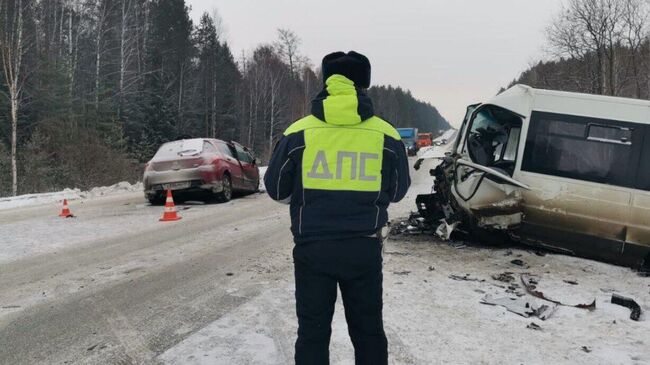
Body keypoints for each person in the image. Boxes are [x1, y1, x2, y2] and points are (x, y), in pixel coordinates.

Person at [264, 51, 411, 365]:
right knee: (368, 332)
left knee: (313, 334)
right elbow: (398, 192)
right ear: (364, 86)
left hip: (313, 249)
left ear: (326, 82)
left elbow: (276, 189)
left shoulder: (298, 132)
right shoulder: (386, 135)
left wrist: (305, 197)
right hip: (364, 249)